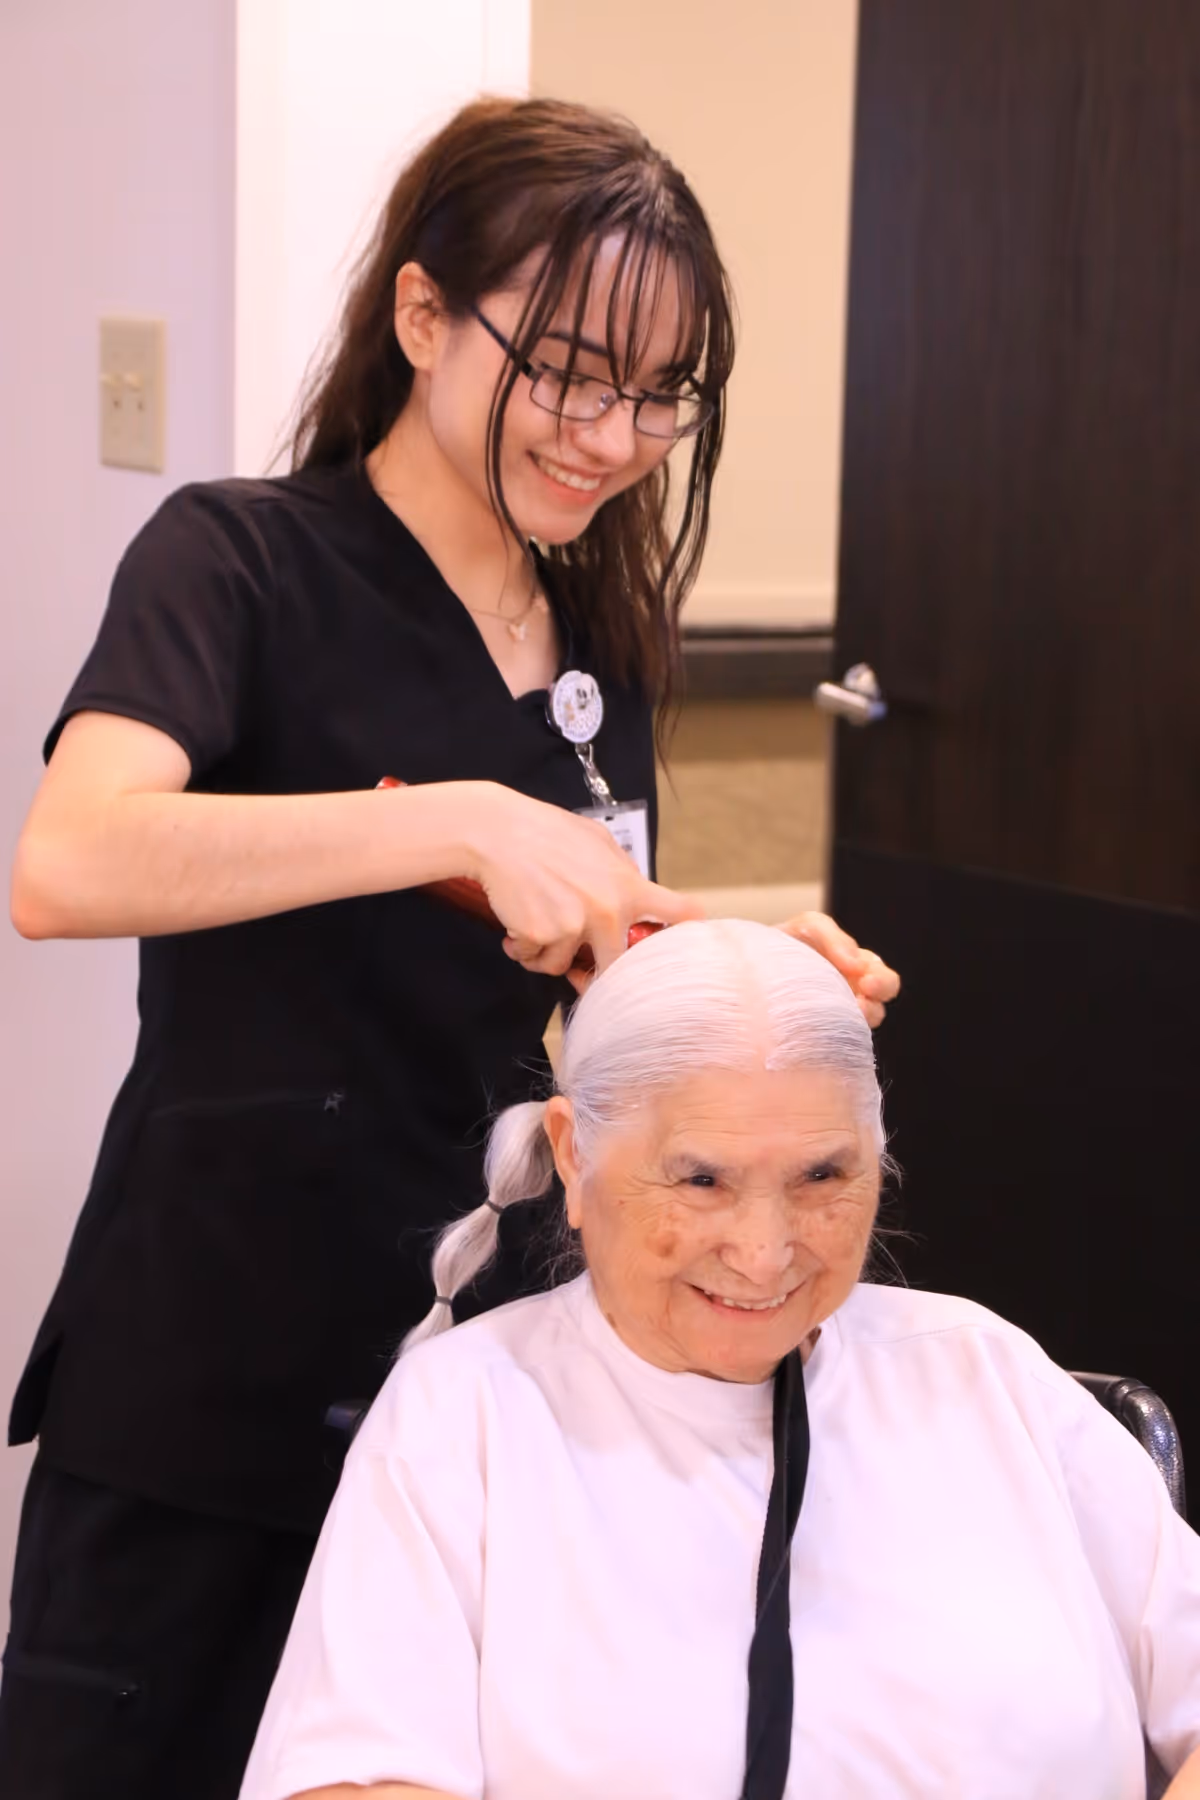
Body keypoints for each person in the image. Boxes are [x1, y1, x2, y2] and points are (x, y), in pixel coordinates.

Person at [0, 97, 899, 1800]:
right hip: (222, 1394)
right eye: (567, 370)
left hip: (490, 1404)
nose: (613, 433)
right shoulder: (241, 557)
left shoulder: (598, 631)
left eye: (658, 390)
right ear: (423, 317)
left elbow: (555, 948)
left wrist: (727, 947)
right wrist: (452, 816)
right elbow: (70, 858)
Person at [237, 918, 1200, 1800]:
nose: (765, 1251)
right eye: (701, 1181)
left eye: (823, 1175)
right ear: (573, 1158)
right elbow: (355, 1775)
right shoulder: (467, 1419)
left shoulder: (984, 1374)